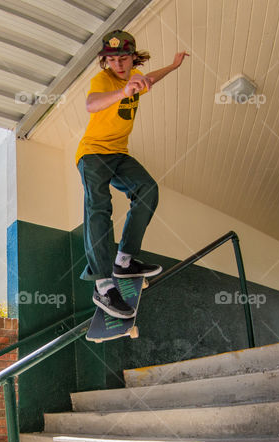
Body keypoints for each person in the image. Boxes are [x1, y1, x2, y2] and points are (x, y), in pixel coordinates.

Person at [76, 30, 188, 318]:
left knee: (148, 190)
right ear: (106, 62)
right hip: (93, 153)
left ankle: (124, 261)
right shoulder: (104, 79)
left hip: (119, 154)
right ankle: (102, 285)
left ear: (133, 57)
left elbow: (149, 80)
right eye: (112, 61)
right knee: (98, 207)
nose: (119, 66)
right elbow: (92, 104)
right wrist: (122, 92)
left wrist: (174, 67)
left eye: (124, 59)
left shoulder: (136, 76)